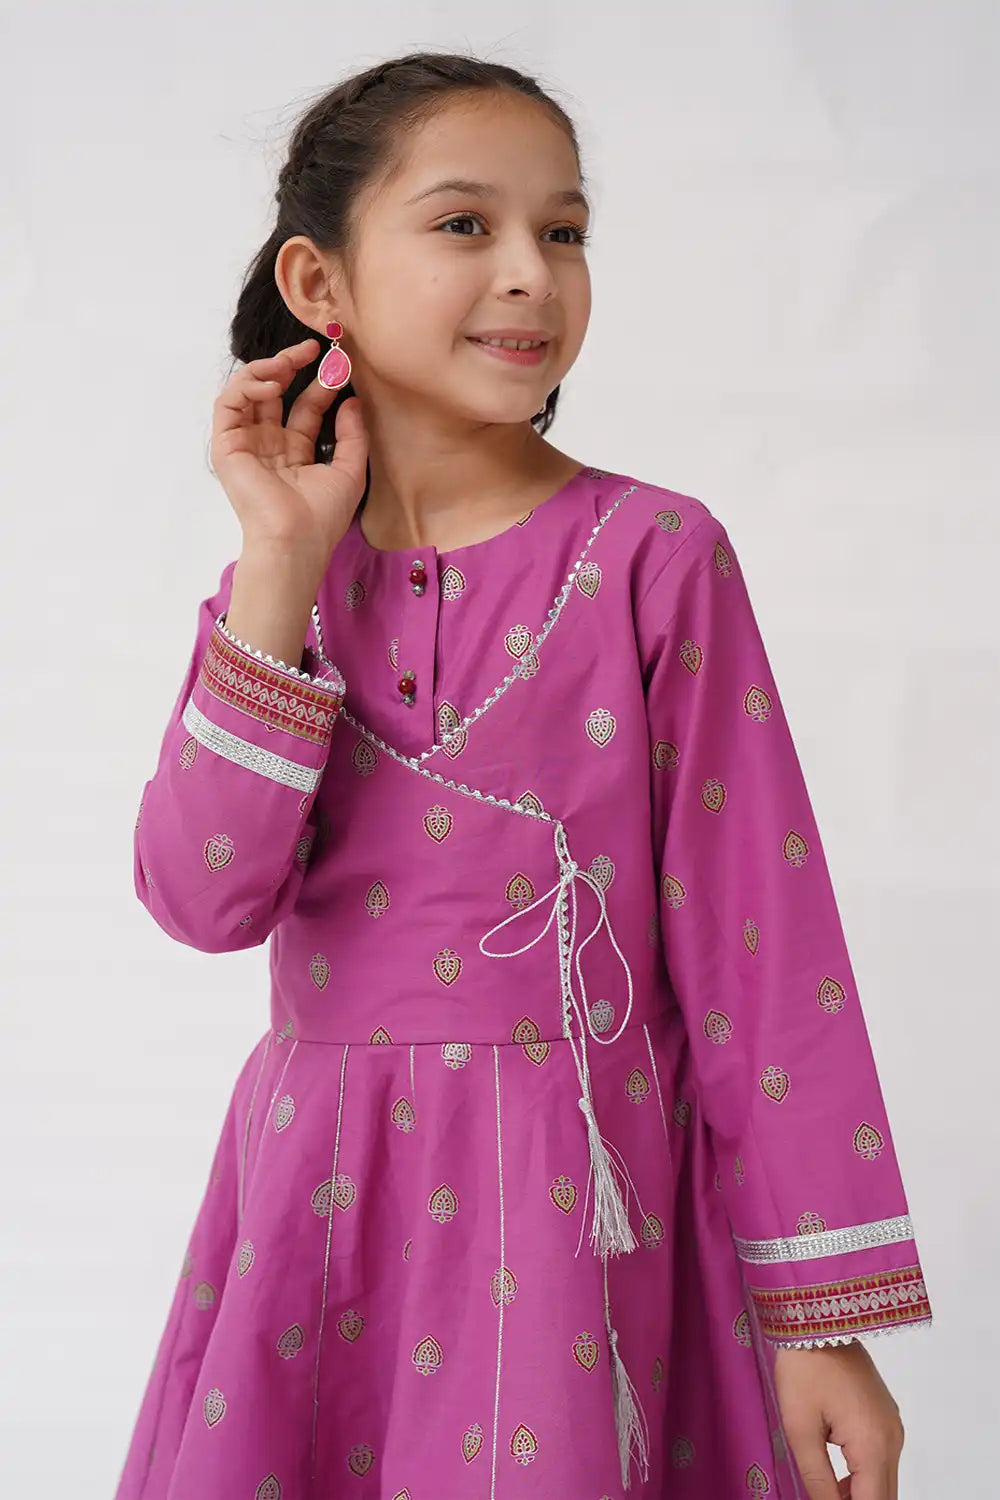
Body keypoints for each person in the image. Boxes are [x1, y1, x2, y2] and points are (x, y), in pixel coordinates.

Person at [114, 50, 931, 1500]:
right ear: (319, 283)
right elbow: (201, 899)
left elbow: (763, 954)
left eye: (564, 230)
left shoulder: (655, 558)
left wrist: (823, 1323)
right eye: (464, 224)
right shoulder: (276, 601)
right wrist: (279, 561)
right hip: (323, 1221)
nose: (530, 276)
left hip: (590, 1225)